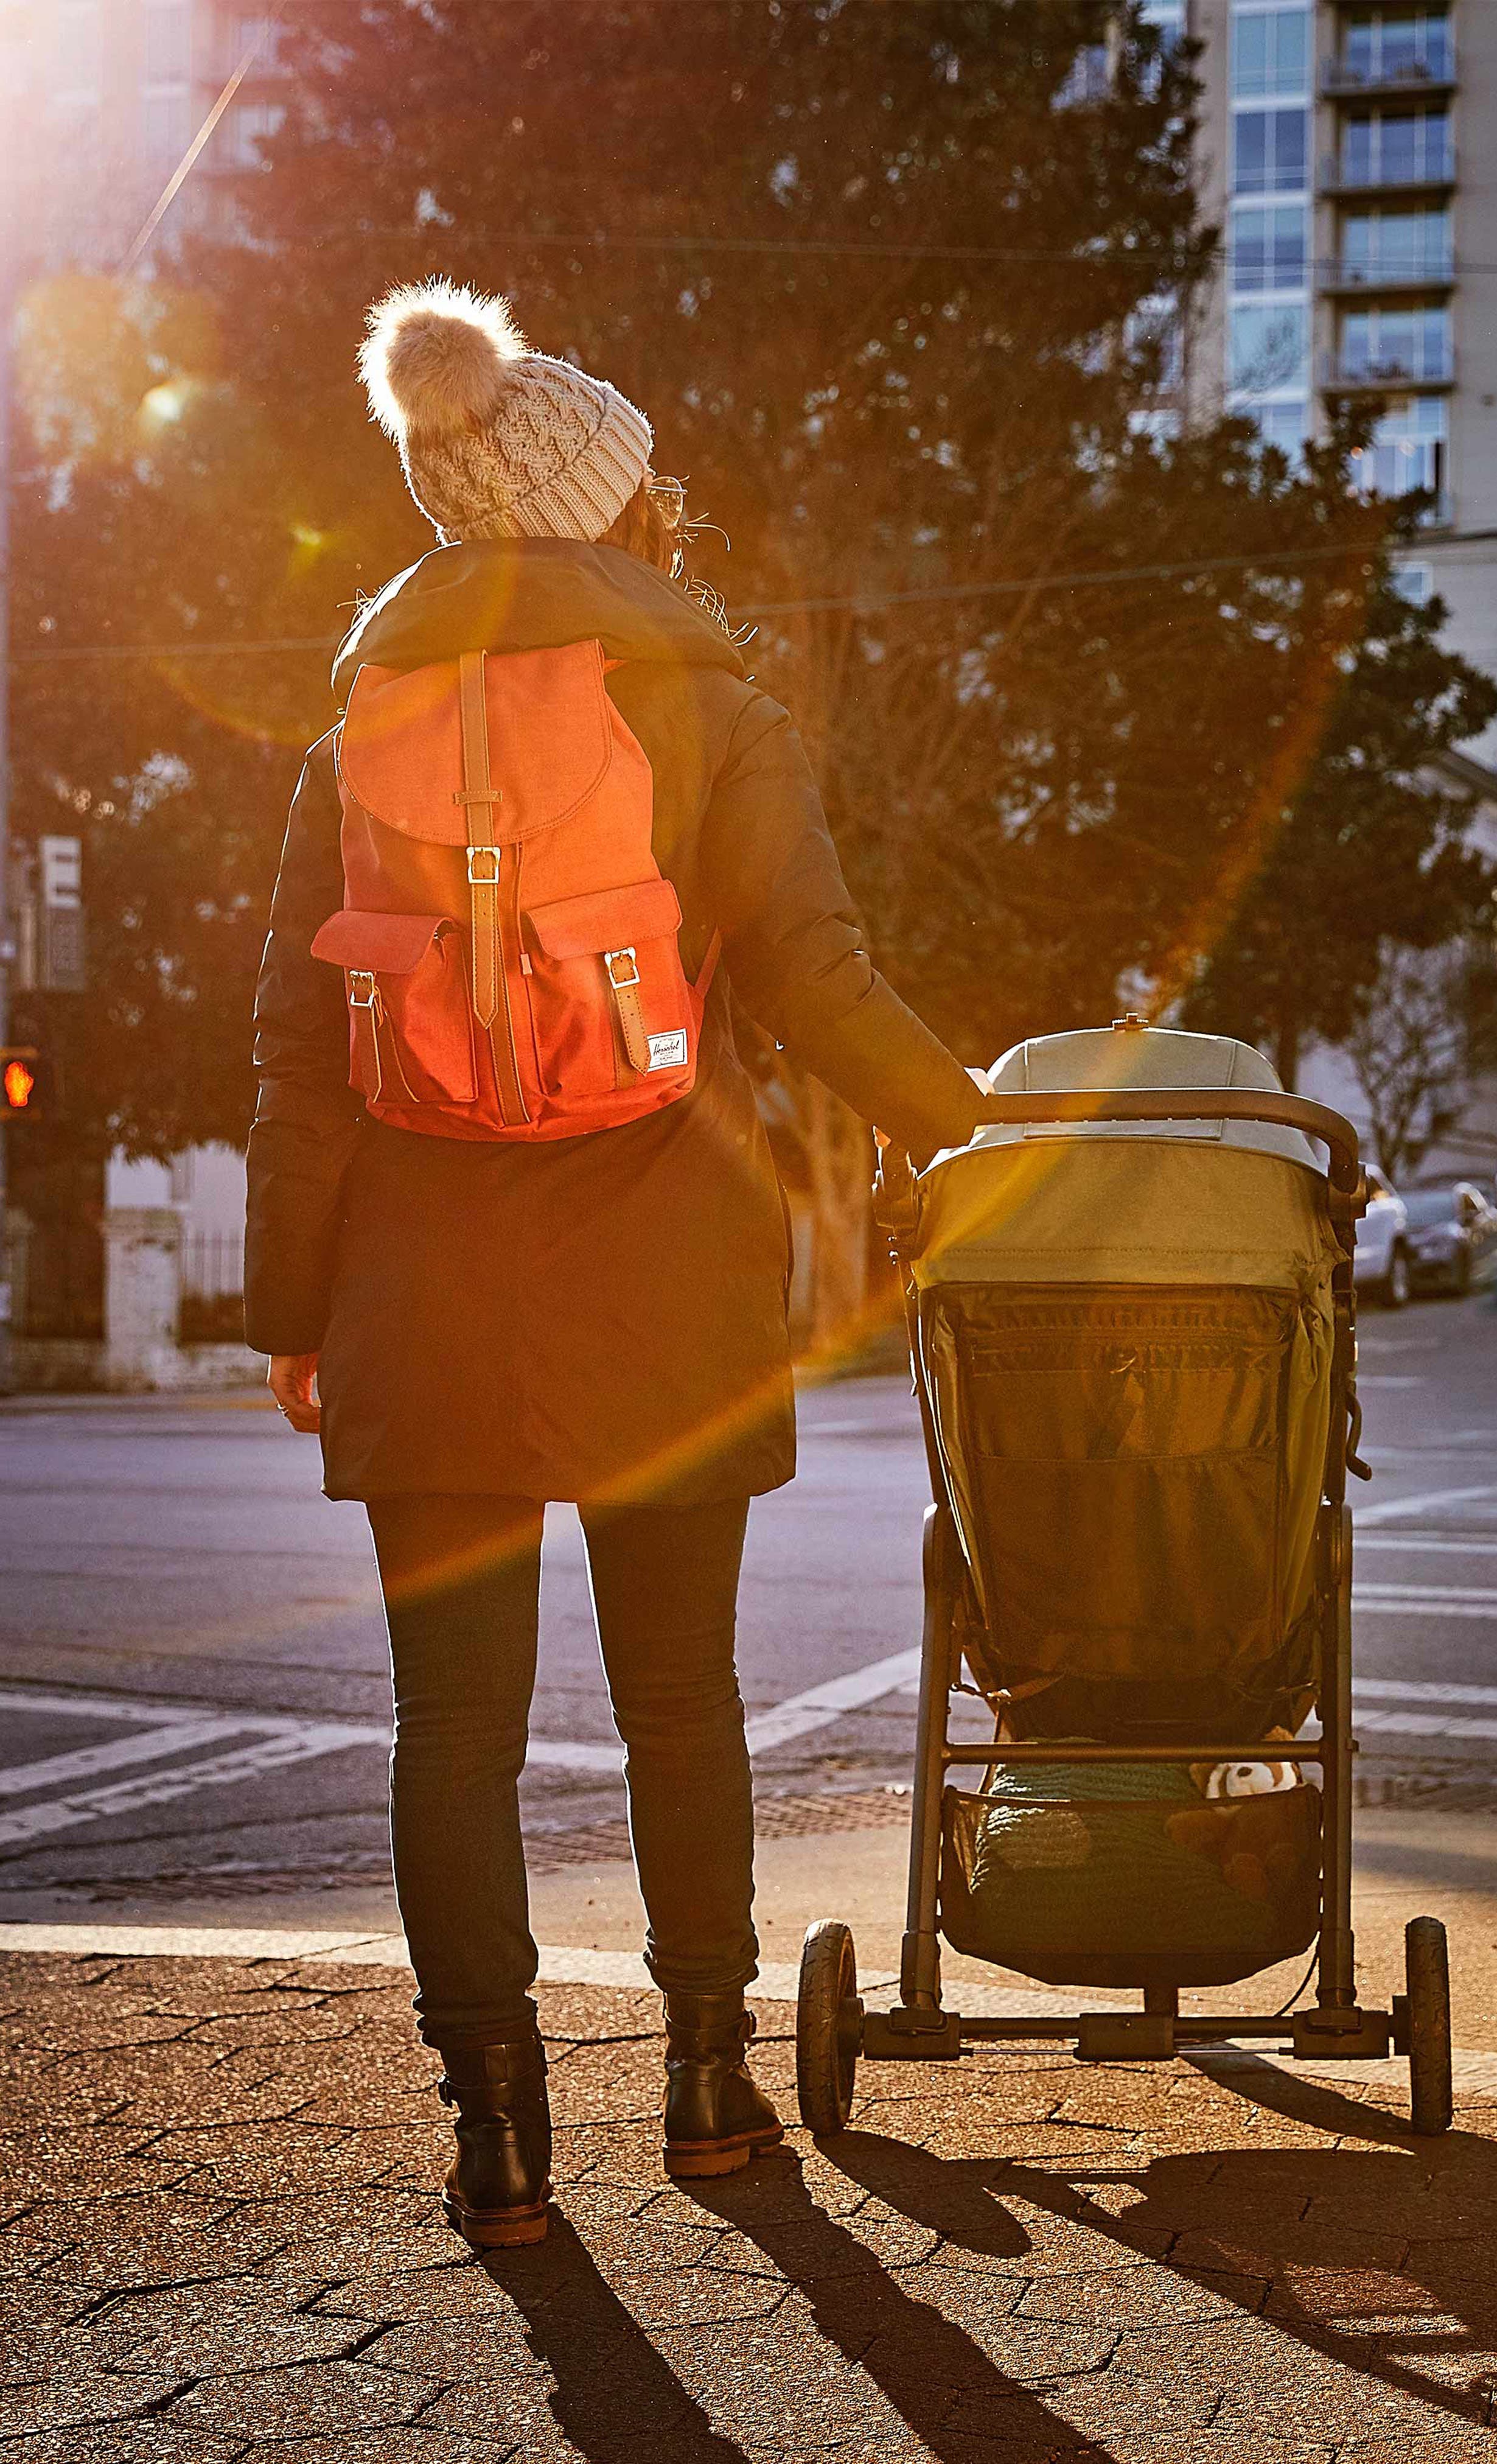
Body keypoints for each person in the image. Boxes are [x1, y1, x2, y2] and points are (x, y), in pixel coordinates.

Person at [245, 279, 981, 2247]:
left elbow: (299, 1066)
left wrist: (294, 1318)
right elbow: (819, 985)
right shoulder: (719, 712)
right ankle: (712, 2081)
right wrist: (980, 1126)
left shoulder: (355, 739)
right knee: (682, 1698)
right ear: (615, 506)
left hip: (421, 1289)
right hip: (666, 1278)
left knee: (454, 1729)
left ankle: (494, 2129)